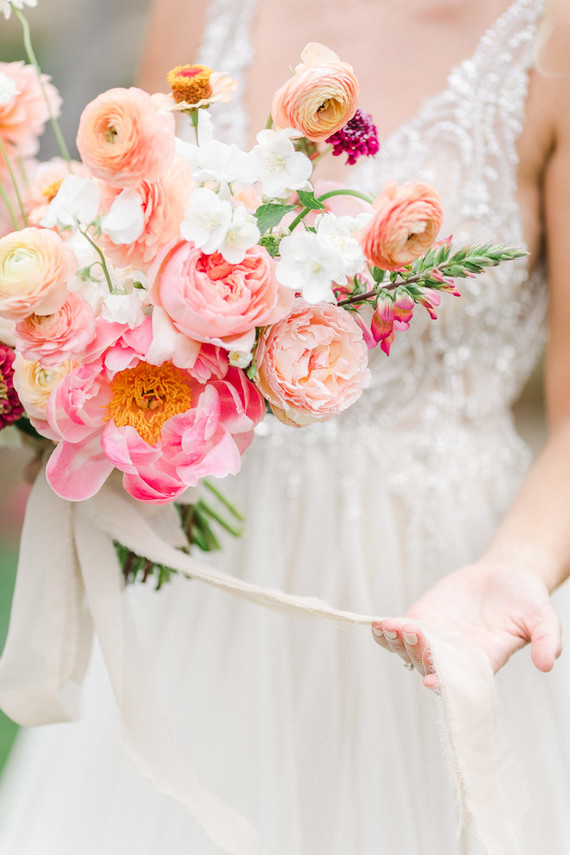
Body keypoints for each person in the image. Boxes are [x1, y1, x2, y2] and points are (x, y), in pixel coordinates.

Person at [1, 0, 570, 852]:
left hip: (447, 579)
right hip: (212, 580)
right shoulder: (196, 10)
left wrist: (516, 565)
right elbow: (133, 259)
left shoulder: (552, 39)